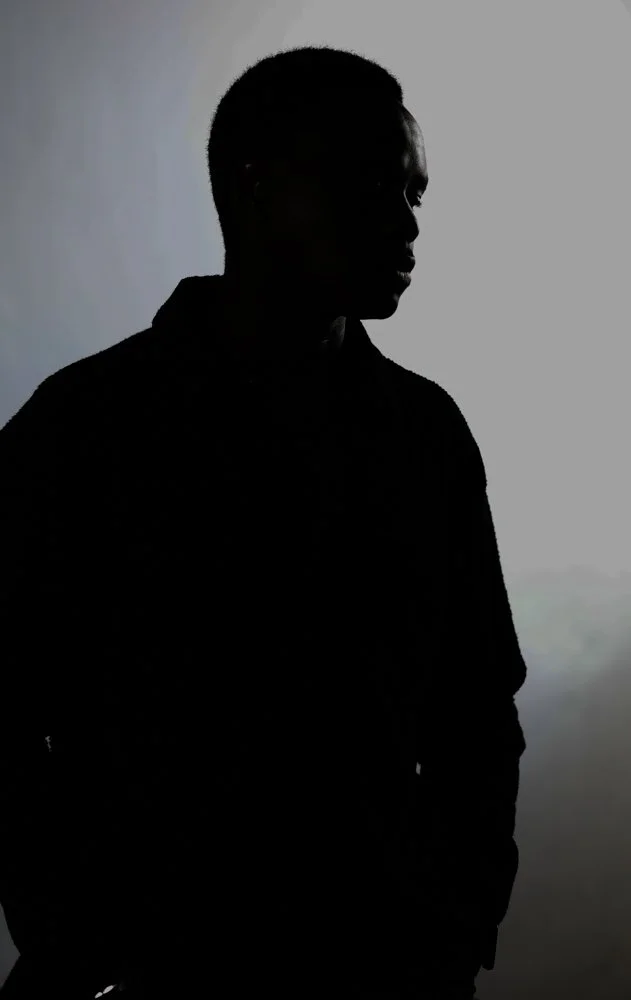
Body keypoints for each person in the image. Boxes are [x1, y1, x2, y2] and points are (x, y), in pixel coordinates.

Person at [0, 45, 527, 999]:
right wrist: (75, 927)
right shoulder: (83, 427)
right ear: (255, 186)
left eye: (414, 192)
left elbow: (479, 708)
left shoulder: (425, 435)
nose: (409, 223)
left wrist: (456, 915)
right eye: (376, 182)